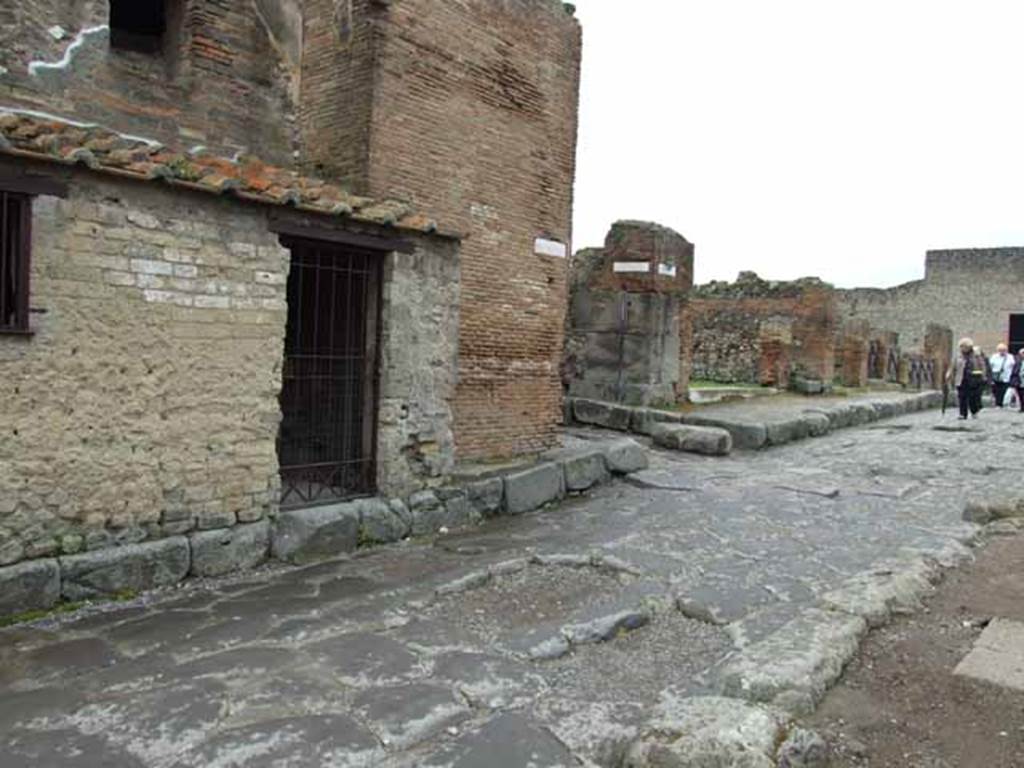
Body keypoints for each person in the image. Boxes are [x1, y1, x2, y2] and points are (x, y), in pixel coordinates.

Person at [947, 338, 984, 419]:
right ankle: (962, 414)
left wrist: (982, 377)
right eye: (961, 347)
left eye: (965, 347)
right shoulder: (958, 356)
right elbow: (952, 366)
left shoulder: (976, 355)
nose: (963, 348)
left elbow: (982, 366)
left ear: (969, 347)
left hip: (973, 379)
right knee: (962, 397)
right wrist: (948, 374)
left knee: (972, 397)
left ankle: (974, 411)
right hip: (961, 379)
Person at [989, 343, 1014, 407]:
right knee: (996, 390)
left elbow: (1013, 365)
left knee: (1004, 390)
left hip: (1006, 377)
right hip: (996, 377)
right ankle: (998, 403)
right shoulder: (994, 356)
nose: (1002, 352)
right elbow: (990, 366)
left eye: (1003, 350)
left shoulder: (1010, 357)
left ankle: (1002, 403)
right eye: (1000, 350)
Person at [1011, 349, 1024, 413]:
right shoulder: (1018, 361)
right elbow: (1014, 371)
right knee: (1020, 395)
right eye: (1022, 353)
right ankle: (1022, 407)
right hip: (1019, 381)